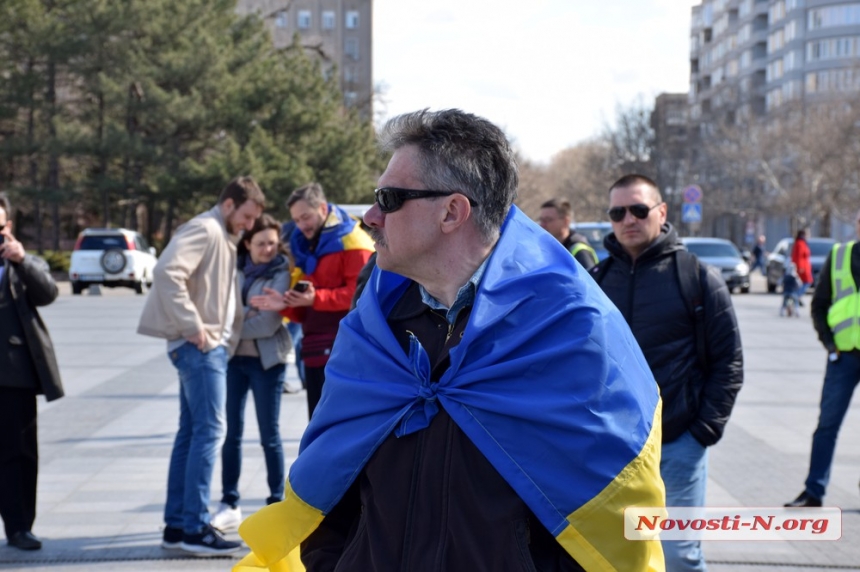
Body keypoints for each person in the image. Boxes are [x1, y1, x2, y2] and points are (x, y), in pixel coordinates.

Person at [235, 109, 666, 572]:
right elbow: (328, 485)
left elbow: (611, 518)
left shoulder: (573, 329)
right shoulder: (372, 328)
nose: (371, 217)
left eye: (389, 198)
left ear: (452, 212)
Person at [590, 174, 743, 572]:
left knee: (678, 555)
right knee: (623, 555)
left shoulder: (696, 276)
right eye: (617, 212)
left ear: (662, 212)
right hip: (615, 451)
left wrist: (702, 432)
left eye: (639, 210)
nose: (629, 219)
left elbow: (729, 361)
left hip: (678, 443)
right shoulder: (595, 282)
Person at [137, 177, 264, 556]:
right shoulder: (205, 228)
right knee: (210, 432)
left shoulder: (219, 233)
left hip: (202, 348)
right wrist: (195, 329)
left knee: (192, 434)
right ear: (228, 205)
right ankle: (193, 528)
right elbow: (166, 273)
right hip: (199, 348)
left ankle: (177, 527)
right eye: (246, 216)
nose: (250, 225)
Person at [251, 183, 373, 418]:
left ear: (322, 207)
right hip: (315, 351)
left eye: (305, 217)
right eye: (296, 220)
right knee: (318, 428)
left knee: (340, 429)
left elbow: (359, 297)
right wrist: (286, 303)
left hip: (346, 352)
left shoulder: (354, 243)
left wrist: (316, 298)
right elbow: (306, 304)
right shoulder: (302, 244)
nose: (301, 225)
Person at [210, 214, 292, 533]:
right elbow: (219, 311)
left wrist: (232, 324)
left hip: (267, 362)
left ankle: (275, 502)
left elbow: (269, 323)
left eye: (272, 242)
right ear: (248, 244)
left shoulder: (281, 271)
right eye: (261, 243)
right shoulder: (233, 270)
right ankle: (229, 500)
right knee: (231, 434)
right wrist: (246, 316)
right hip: (232, 362)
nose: (268, 249)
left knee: (269, 436)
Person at [785, 209, 860, 508]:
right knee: (827, 425)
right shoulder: (840, 255)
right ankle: (814, 491)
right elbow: (819, 304)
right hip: (842, 357)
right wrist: (829, 344)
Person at [0, 194, 63, 551]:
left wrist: (22, 261)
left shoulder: (22, 262)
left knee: (20, 453)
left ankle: (20, 526)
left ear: (9, 227)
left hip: (15, 374)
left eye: (0, 227)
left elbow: (48, 293)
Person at [537, 198, 598, 270]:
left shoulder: (580, 251)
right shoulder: (548, 248)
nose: (542, 225)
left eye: (548, 220)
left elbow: (589, 279)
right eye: (541, 220)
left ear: (566, 221)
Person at [792, 229, 813, 301]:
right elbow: (799, 256)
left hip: (805, 266)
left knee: (803, 283)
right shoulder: (800, 243)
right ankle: (796, 296)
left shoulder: (802, 243)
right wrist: (800, 267)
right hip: (803, 267)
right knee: (807, 282)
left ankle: (797, 297)